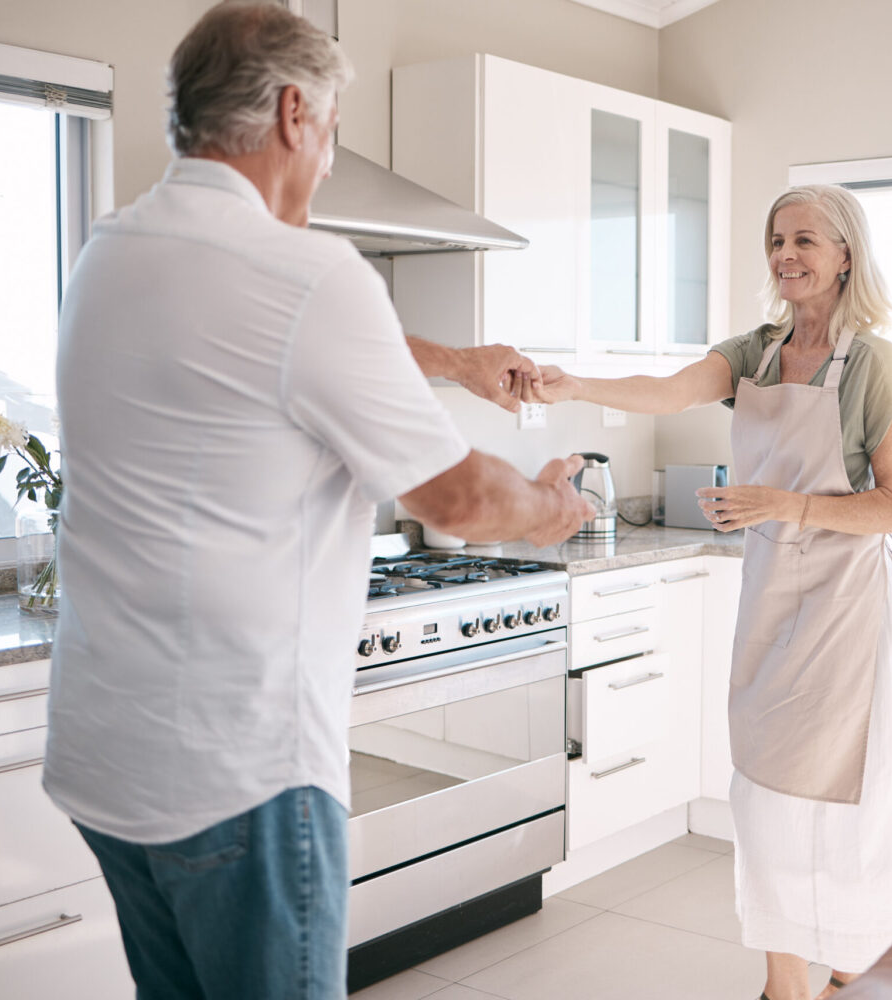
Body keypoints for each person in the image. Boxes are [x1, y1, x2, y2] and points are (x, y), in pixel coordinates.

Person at [42, 5, 592, 999]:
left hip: (107, 757)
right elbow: (462, 497)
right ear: (295, 112)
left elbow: (257, 350)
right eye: (333, 129)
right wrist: (552, 509)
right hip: (238, 773)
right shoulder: (308, 272)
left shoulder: (109, 252)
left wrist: (456, 362)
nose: (331, 159)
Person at [522, 184, 892, 1000]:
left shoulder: (876, 363)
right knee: (762, 794)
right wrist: (574, 386)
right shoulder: (757, 352)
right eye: (777, 239)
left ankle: (851, 965)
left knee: (852, 806)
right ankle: (787, 982)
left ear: (846, 253)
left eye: (806, 239)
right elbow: (669, 391)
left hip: (847, 611)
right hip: (772, 601)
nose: (786, 254)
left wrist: (784, 504)